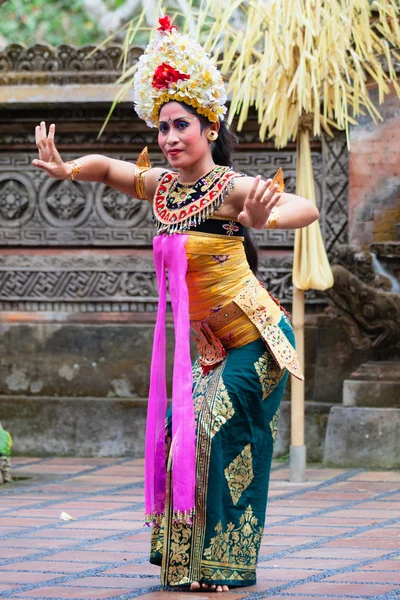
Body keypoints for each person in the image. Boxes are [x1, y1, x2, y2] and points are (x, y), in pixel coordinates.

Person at [32, 15, 319, 593]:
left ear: (209, 128)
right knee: (174, 432)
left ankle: (226, 566)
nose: (169, 137)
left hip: (257, 342)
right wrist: (69, 169)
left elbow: (302, 208)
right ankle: (183, 563)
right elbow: (111, 170)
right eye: (162, 127)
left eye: (181, 125)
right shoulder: (162, 185)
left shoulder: (229, 186)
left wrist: (264, 216)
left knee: (216, 429)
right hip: (209, 348)